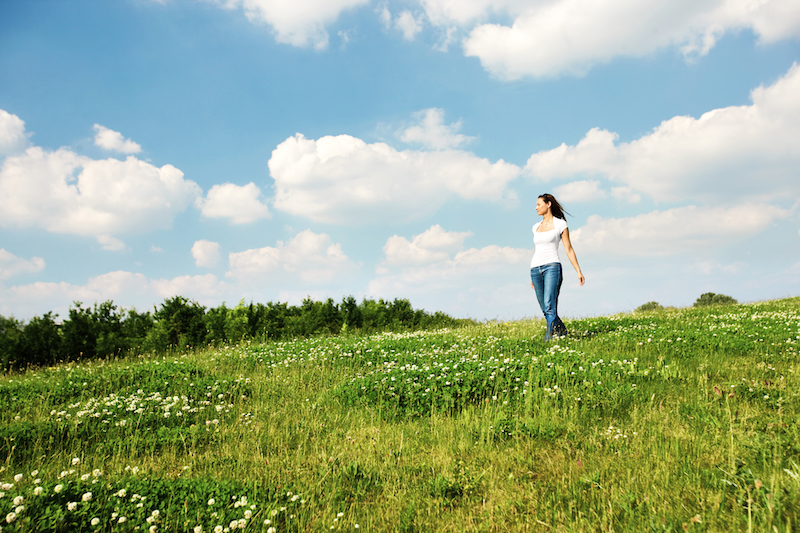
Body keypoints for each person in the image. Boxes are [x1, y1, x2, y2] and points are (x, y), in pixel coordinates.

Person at [530, 193, 585, 340]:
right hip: (535, 269)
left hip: (552, 267)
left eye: (539, 204)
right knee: (544, 308)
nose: (536, 208)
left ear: (548, 204)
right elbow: (537, 249)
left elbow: (568, 248)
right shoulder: (535, 227)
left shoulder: (560, 224)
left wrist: (578, 271)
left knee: (550, 305)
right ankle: (562, 332)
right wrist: (531, 276)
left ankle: (548, 337)